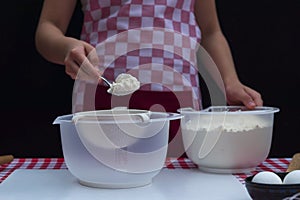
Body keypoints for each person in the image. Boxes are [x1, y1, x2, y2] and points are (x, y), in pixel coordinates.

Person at [35, 0, 263, 157]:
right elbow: (48, 27)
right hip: (102, 99)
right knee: (102, 185)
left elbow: (211, 30)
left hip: (179, 103)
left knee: (182, 188)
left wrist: (229, 82)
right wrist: (66, 47)